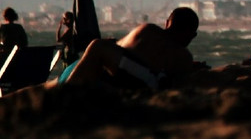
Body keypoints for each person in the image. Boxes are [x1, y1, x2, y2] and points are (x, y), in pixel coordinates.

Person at [56, 7, 200, 91]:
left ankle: (63, 95)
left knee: (98, 46)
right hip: (136, 76)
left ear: (167, 22)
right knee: (99, 48)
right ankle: (62, 94)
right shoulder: (184, 56)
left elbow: (121, 47)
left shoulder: (149, 30)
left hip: (139, 78)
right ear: (192, 34)